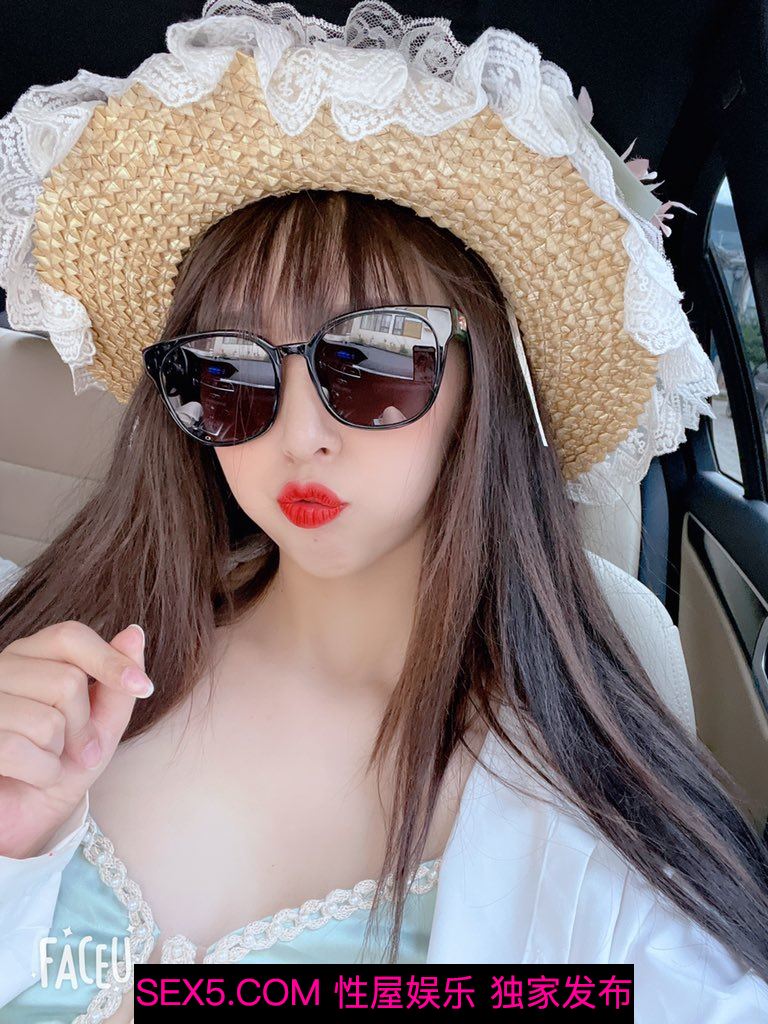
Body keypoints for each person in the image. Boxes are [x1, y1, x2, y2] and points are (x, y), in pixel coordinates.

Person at [0, 3, 766, 1022]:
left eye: (372, 360)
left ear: (486, 387)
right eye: (227, 372)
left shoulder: (595, 846)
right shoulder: (43, 656)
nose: (298, 436)